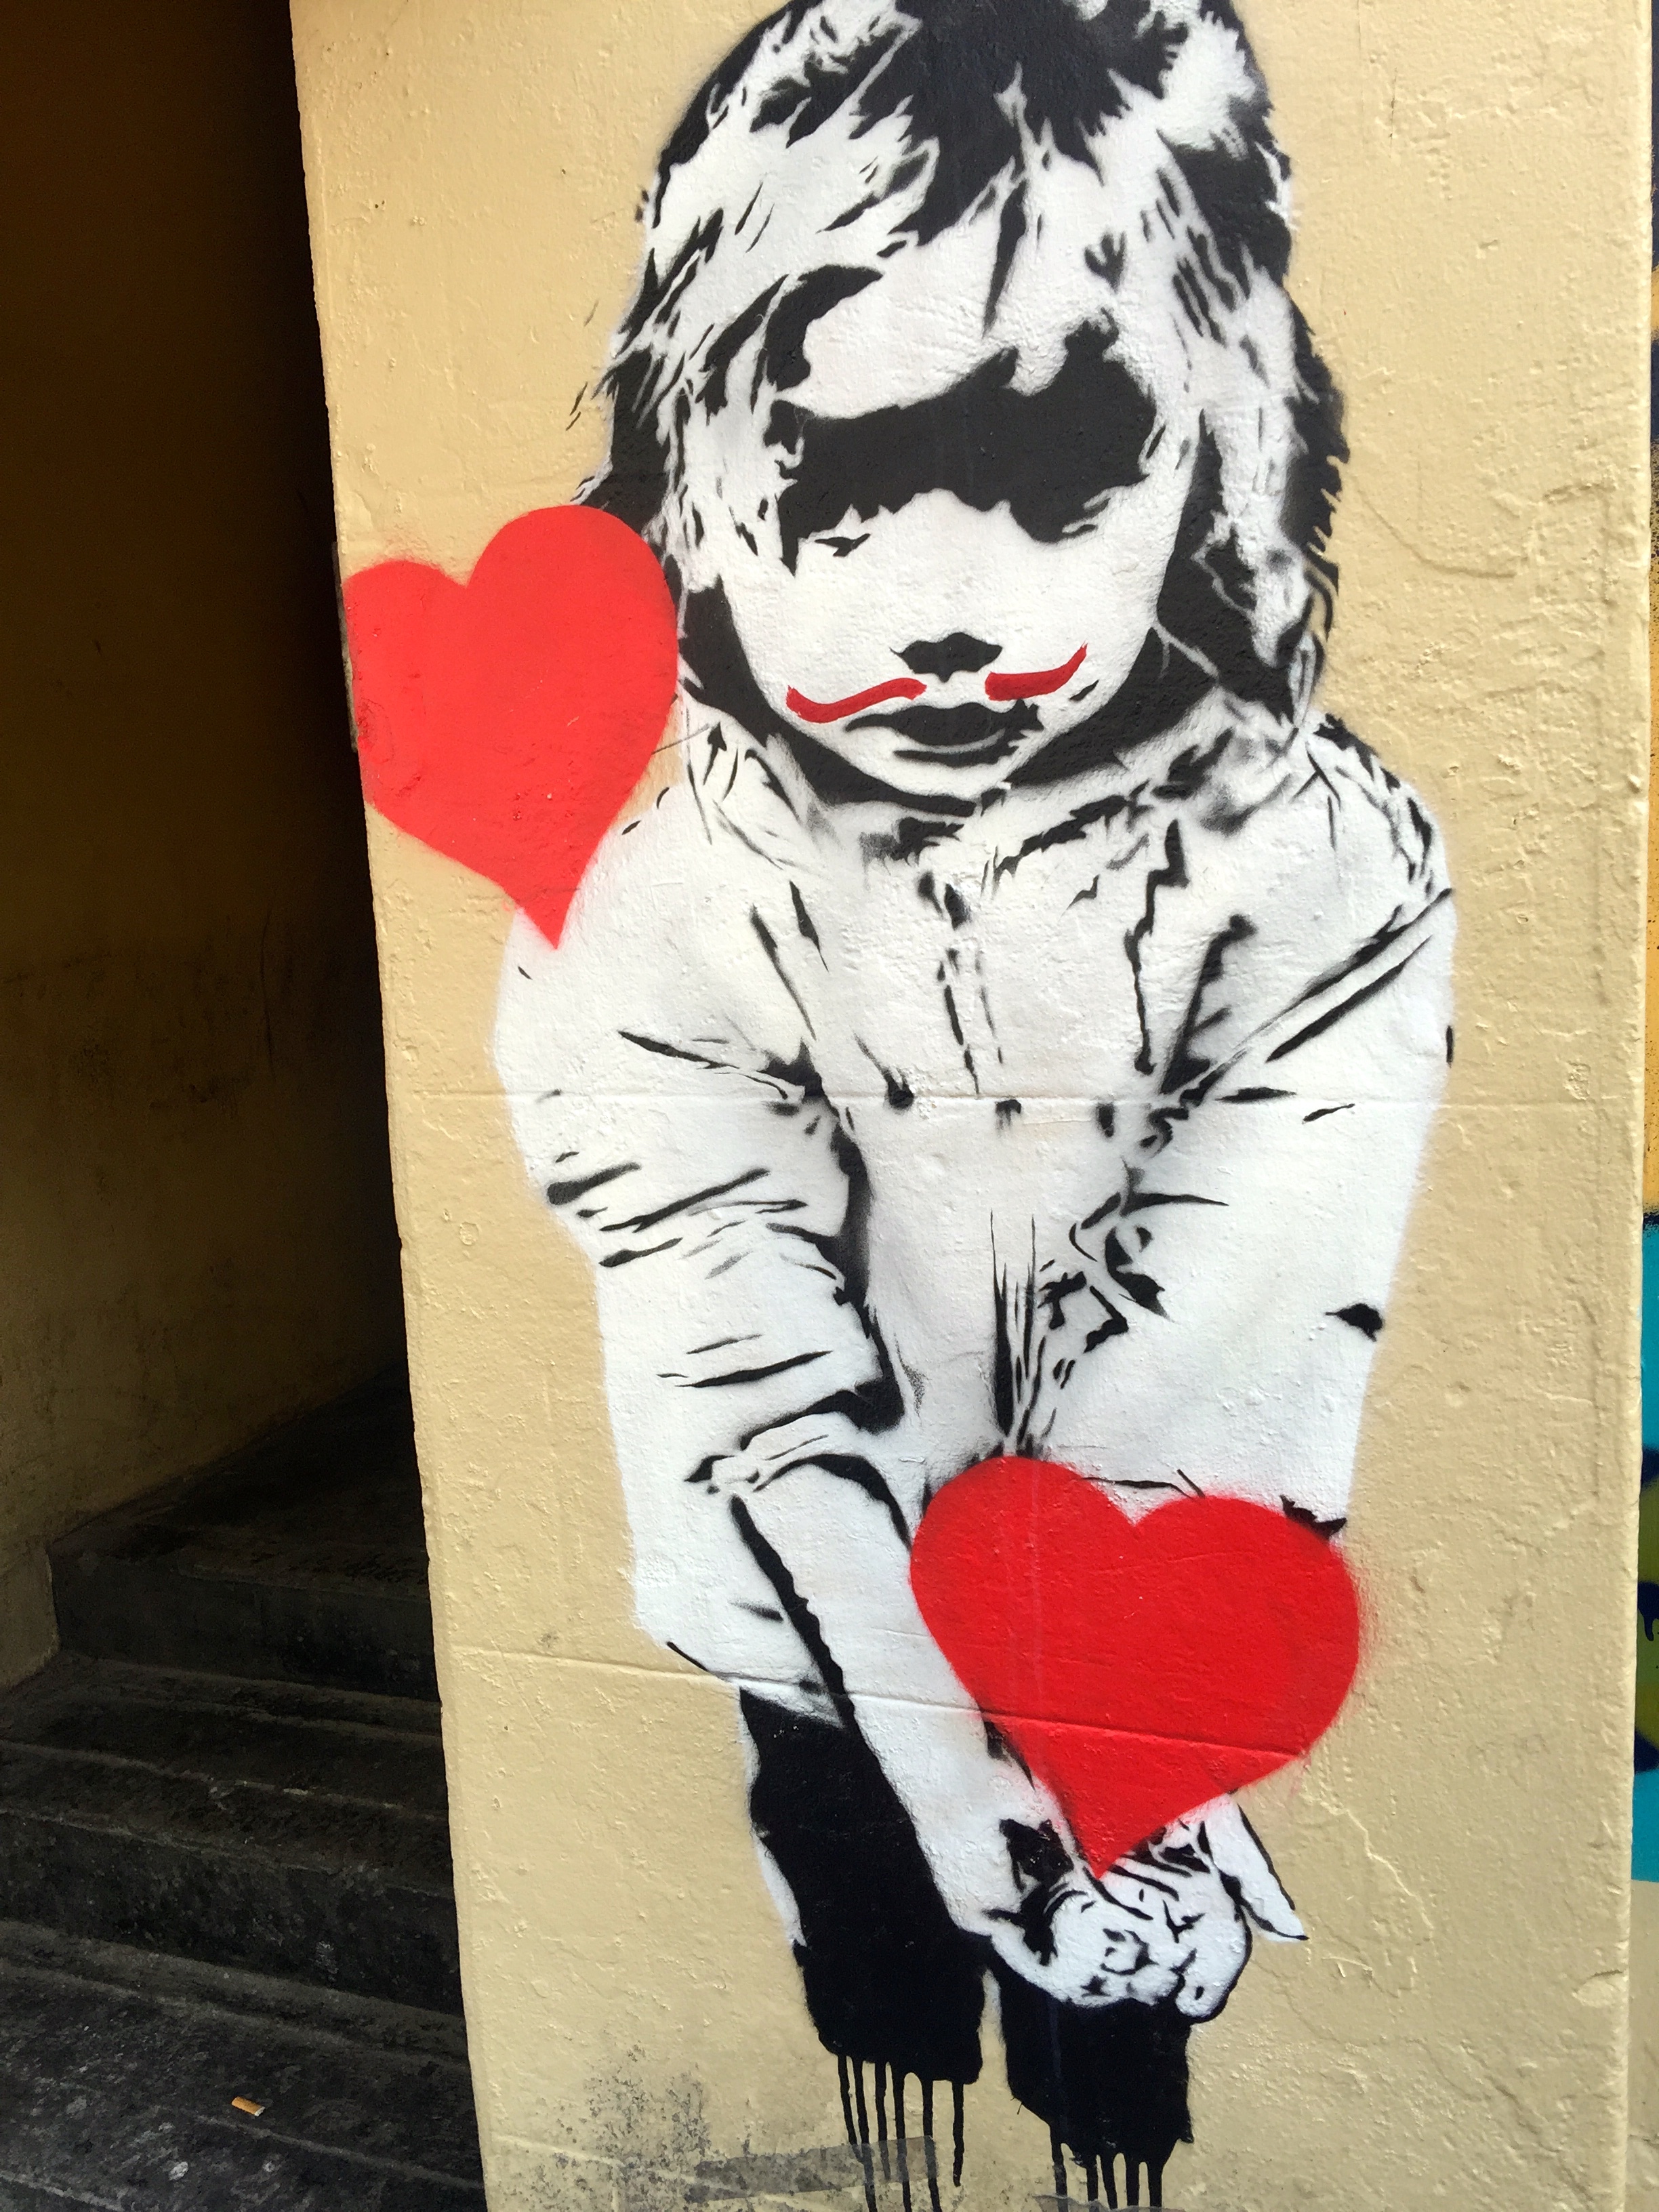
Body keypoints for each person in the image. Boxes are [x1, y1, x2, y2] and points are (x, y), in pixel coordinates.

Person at [494, 0, 1453, 2200]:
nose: (947, 611)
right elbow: (735, 1343)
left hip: (1134, 1631)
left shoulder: (1318, 868)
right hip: (816, 1627)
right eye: (836, 485)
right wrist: (942, 1754)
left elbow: (1238, 1328)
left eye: (1060, 474)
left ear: (1215, 450)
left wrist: (1087, 1730)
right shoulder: (658, 904)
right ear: (689, 489)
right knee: (879, 1991)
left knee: (1116, 2060)